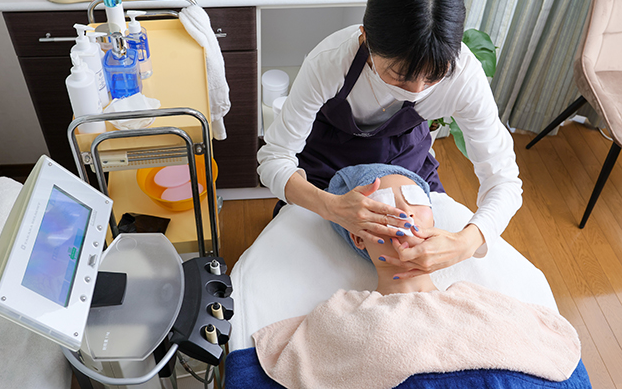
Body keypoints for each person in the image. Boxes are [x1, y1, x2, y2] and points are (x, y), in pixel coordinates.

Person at [257, 0, 522, 279]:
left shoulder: (464, 77)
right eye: (399, 75)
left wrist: (467, 241)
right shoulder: (331, 61)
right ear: (365, 37)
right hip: (326, 157)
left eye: (434, 76)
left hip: (405, 160)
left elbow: (504, 179)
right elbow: (274, 159)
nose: (418, 90)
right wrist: (331, 207)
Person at [250, 166, 584, 389]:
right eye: (381, 204)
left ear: (434, 220)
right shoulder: (340, 318)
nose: (403, 213)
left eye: (414, 202)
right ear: (358, 237)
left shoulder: (488, 306)